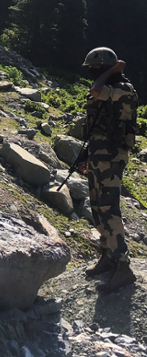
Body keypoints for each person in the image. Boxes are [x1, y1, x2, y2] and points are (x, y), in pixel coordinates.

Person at [81, 47, 138, 292]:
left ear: (107, 67)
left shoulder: (123, 89)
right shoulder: (107, 88)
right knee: (97, 209)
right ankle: (108, 257)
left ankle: (122, 267)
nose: (93, 73)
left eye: (96, 69)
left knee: (109, 211)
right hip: (98, 155)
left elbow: (96, 90)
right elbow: (95, 124)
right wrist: (86, 155)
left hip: (112, 158)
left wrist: (112, 72)